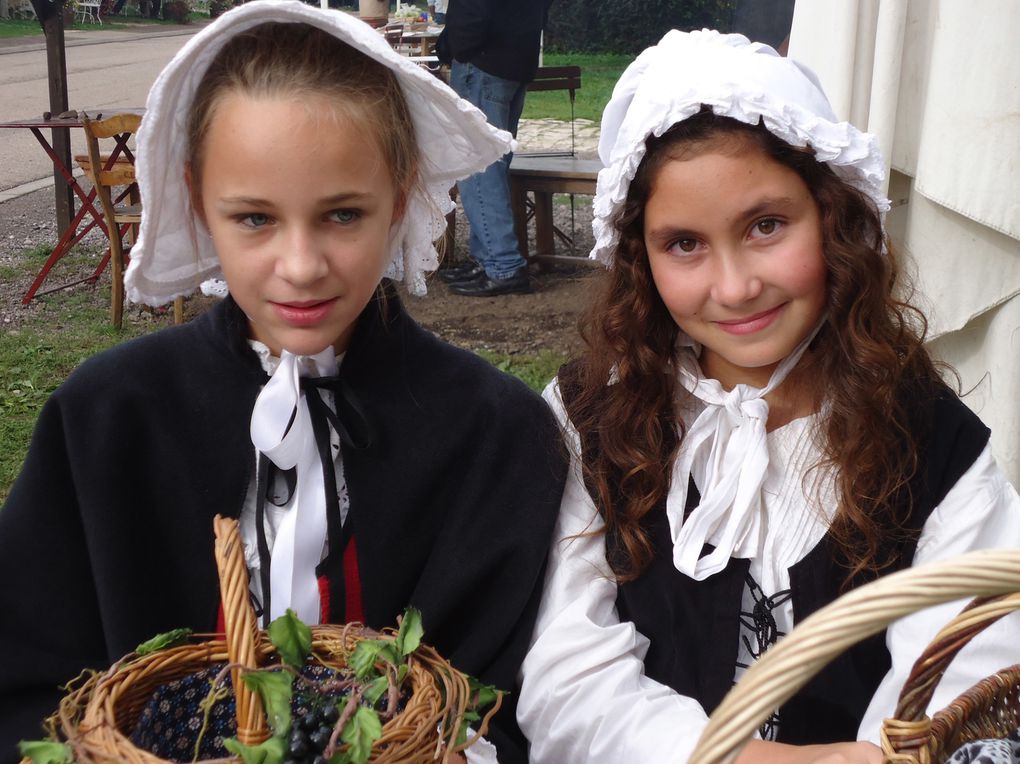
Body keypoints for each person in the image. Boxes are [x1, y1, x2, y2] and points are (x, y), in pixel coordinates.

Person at [0, 4, 567, 763]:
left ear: (399, 197)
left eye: (341, 214)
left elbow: (513, 702)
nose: (300, 266)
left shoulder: (494, 434)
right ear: (200, 200)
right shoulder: (107, 420)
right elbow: (25, 688)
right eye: (256, 219)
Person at [516, 30, 1020, 763]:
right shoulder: (590, 421)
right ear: (639, 257)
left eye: (766, 226)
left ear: (834, 218)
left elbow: (961, 669)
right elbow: (565, 674)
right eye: (684, 243)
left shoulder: (932, 441)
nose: (735, 286)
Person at [434, 0, 553, 297]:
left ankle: (503, 265)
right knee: (489, 167)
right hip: (514, 62)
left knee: (480, 171)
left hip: (484, 64)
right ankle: (488, 259)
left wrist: (456, 48)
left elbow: (474, 10)